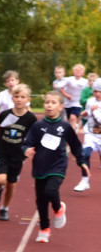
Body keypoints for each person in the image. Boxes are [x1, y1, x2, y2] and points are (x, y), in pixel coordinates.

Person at [23, 90, 88, 243]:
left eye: (53, 103)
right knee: (41, 200)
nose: (49, 106)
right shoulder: (38, 126)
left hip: (58, 165)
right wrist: (25, 150)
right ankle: (44, 229)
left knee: (50, 190)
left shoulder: (65, 126)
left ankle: (58, 208)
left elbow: (76, 146)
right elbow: (26, 143)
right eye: (47, 102)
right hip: (40, 167)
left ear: (60, 107)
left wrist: (82, 161)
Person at [0, 82, 35, 220]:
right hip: (2, 153)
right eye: (17, 96)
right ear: (12, 98)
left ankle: (4, 208)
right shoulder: (5, 114)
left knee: (12, 184)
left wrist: (31, 150)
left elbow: (34, 136)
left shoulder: (30, 118)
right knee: (1, 179)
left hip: (18, 156)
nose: (19, 99)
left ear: (28, 99)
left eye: (23, 97)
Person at [73, 79, 101, 193]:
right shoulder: (90, 101)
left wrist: (93, 112)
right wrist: (85, 113)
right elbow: (86, 116)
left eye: (100, 91)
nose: (97, 94)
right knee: (85, 154)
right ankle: (85, 181)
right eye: (95, 91)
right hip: (91, 134)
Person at [61, 64, 89, 131]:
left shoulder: (85, 82)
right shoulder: (69, 79)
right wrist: (66, 95)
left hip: (78, 104)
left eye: (80, 70)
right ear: (73, 72)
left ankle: (72, 137)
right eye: (76, 70)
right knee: (69, 120)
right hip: (68, 103)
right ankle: (74, 127)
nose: (77, 72)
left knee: (72, 118)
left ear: (83, 73)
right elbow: (61, 88)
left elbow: (88, 91)